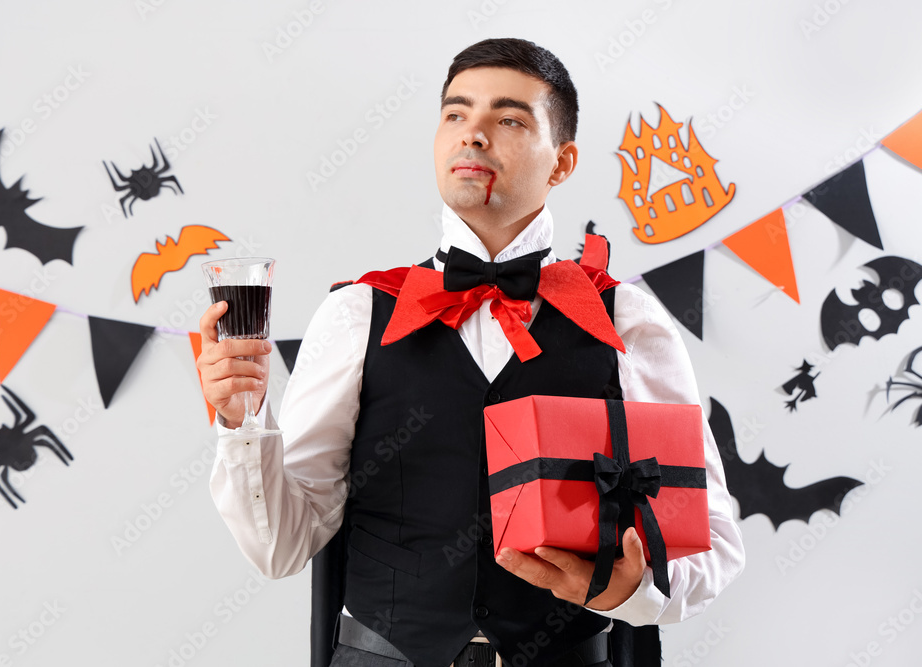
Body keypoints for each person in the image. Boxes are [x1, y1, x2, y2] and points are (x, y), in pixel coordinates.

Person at [197, 38, 744, 667]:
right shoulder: (356, 315)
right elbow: (282, 549)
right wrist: (241, 422)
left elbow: (714, 541)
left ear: (562, 163)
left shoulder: (626, 321)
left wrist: (635, 593)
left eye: (508, 119)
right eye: (456, 115)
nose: (473, 135)